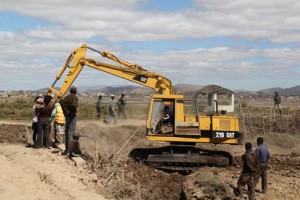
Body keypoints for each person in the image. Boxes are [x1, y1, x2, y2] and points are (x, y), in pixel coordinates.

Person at [60, 86, 78, 155]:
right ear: (75, 92)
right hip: (72, 116)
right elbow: (74, 105)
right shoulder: (74, 97)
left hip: (67, 117)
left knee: (67, 132)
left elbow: (61, 104)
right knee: (71, 133)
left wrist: (66, 112)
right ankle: (70, 150)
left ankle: (66, 149)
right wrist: (74, 111)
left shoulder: (65, 98)